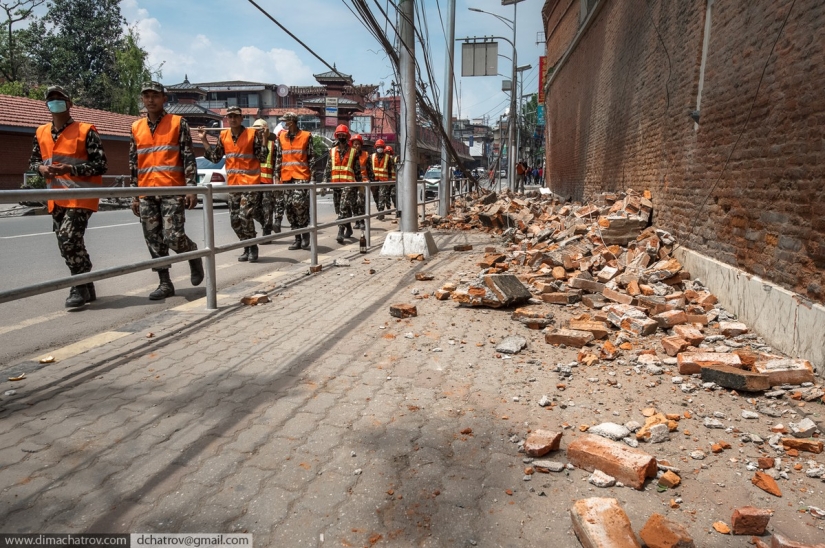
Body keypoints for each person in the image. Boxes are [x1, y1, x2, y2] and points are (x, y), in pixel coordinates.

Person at [30, 85, 107, 308]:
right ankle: (86, 282)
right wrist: (40, 169)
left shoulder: (85, 130)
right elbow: (34, 161)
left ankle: (78, 286)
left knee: (68, 238)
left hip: (80, 196)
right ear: (46, 104)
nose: (55, 102)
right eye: (51, 99)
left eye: (59, 98)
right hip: (56, 197)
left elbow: (101, 164)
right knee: (67, 244)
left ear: (69, 103)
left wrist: (71, 170)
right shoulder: (40, 132)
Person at [130, 81, 204, 300]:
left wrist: (191, 188)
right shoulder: (136, 127)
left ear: (164, 99)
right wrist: (134, 194)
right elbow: (134, 163)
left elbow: (188, 157)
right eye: (146, 96)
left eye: (155, 95)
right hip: (146, 191)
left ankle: (192, 253)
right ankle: (165, 282)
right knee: (153, 239)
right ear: (142, 99)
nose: (150, 100)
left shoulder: (177, 123)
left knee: (172, 237)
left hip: (172, 188)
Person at [199, 106, 267, 262]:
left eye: (236, 116)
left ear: (242, 118)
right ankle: (246, 246)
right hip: (233, 184)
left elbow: (262, 158)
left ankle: (252, 246)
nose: (233, 119)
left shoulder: (252, 134)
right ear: (227, 119)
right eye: (230, 116)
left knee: (245, 215)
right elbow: (215, 158)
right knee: (234, 220)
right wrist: (203, 139)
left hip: (249, 183)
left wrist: (264, 139)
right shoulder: (223, 136)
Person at [274, 112, 315, 250]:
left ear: (292, 122)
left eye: (286, 121)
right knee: (289, 208)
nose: (284, 123)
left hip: (301, 176)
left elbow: (311, 158)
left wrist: (313, 178)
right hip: (286, 177)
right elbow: (279, 157)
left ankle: (304, 233)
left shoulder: (306, 136)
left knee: (299, 204)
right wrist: (276, 175)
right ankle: (297, 238)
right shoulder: (281, 137)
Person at [324, 124, 361, 244]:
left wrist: (360, 186)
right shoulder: (332, 151)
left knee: (343, 206)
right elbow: (328, 168)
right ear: (336, 136)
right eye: (339, 135)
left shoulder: (353, 152)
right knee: (338, 208)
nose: (341, 137)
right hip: (336, 185)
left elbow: (357, 170)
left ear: (347, 137)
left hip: (348, 185)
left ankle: (340, 230)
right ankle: (348, 227)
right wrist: (324, 183)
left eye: (343, 135)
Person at [251, 119, 277, 242]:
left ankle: (267, 231)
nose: (258, 132)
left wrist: (277, 183)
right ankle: (265, 225)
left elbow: (277, 164)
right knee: (254, 210)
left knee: (267, 209)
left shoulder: (273, 145)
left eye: (260, 130)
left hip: (267, 182)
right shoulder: (251, 143)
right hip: (254, 181)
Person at [349, 133, 374, 230]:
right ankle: (356, 221)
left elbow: (369, 169)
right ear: (352, 144)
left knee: (361, 202)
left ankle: (362, 221)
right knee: (353, 202)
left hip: (363, 182)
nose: (357, 146)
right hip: (352, 181)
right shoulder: (349, 154)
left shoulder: (366, 155)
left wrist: (372, 182)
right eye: (355, 144)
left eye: (358, 144)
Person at [370, 139, 395, 221]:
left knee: (381, 196)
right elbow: (369, 169)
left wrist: (390, 181)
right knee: (376, 197)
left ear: (383, 148)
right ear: (375, 147)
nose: (379, 148)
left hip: (384, 181)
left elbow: (391, 170)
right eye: (378, 147)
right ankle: (379, 211)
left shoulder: (388, 158)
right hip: (374, 181)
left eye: (381, 147)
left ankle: (381, 213)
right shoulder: (372, 157)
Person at [382, 145, 398, 216]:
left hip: (393, 181)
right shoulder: (383, 159)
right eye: (386, 152)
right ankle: (388, 209)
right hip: (386, 181)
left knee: (393, 195)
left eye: (388, 152)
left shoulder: (394, 159)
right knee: (386, 195)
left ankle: (396, 208)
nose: (387, 153)